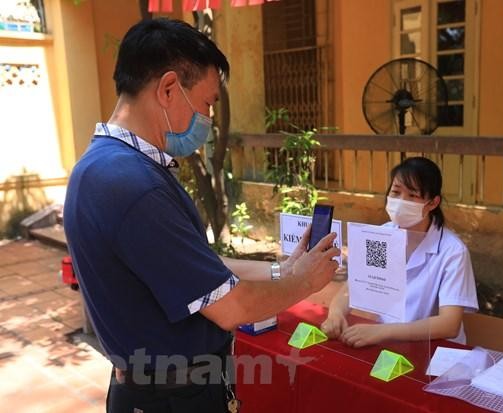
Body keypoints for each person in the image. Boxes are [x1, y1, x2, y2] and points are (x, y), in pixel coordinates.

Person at [63, 18, 340, 413]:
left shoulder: (106, 167)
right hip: (172, 397)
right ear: (169, 88)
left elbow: (200, 268)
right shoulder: (132, 185)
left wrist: (284, 270)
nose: (207, 119)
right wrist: (306, 283)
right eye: (208, 102)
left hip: (161, 387)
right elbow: (233, 308)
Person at [321, 157, 477, 347]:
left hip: (434, 351)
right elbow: (354, 287)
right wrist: (336, 314)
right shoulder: (382, 236)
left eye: (412, 196)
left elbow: (449, 324)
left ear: (433, 203)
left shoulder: (452, 251)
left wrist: (382, 332)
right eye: (395, 192)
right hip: (388, 345)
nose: (401, 202)